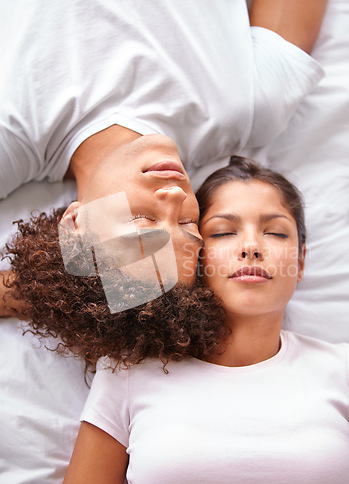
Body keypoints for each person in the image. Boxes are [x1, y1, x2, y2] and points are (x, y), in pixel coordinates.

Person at [59, 157, 349, 484]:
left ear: (299, 262)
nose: (251, 247)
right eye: (223, 232)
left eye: (275, 231)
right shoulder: (127, 372)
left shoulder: (340, 368)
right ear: (194, 256)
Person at [0, 0, 328, 290]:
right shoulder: (252, 111)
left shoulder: (11, 137)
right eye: (188, 225)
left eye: (142, 221)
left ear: (76, 225)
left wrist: (60, 290)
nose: (176, 197)